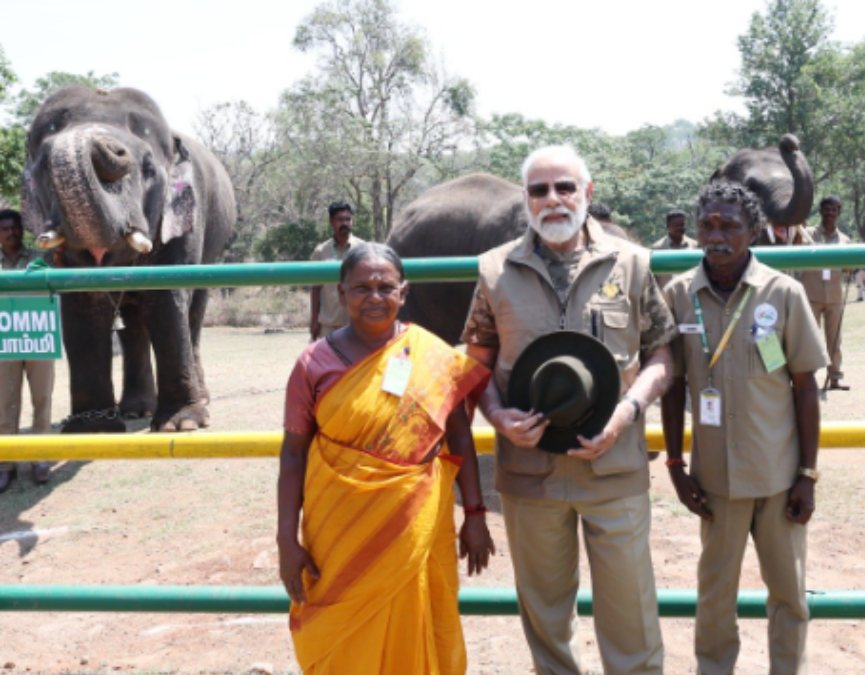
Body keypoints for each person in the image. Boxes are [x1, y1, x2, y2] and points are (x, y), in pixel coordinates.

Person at [462, 144, 676, 674]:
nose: (553, 200)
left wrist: (628, 409)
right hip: (530, 473)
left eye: (565, 188)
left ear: (587, 193)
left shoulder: (631, 263)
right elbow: (475, 365)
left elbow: (662, 354)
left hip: (614, 466)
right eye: (539, 190)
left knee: (632, 618)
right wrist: (497, 417)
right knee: (546, 620)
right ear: (526, 200)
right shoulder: (494, 271)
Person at [277, 242, 495, 673]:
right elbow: (293, 453)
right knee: (339, 628)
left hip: (416, 521)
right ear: (341, 294)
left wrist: (474, 513)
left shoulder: (432, 355)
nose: (374, 298)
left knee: (421, 618)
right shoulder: (313, 363)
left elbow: (459, 437)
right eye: (361, 289)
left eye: (385, 287)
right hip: (336, 528)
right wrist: (286, 539)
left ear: (403, 292)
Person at [662, 182, 827, 674]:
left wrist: (807, 475)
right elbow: (672, 388)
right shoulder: (677, 295)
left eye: (730, 225)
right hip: (715, 482)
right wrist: (674, 464)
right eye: (708, 224)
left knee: (789, 596)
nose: (718, 236)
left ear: (752, 231)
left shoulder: (783, 292)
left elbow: (804, 387)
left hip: (778, 478)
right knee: (714, 600)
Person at [0, 209, 54, 492]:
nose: (12, 233)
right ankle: (6, 464)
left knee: (42, 399)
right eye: (6, 229)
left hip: (37, 338)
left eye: (15, 227)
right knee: (4, 403)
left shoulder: (38, 259)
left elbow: (54, 287)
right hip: (4, 343)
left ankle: (40, 458)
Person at [800, 196, 852, 390]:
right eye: (826, 209)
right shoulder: (808, 235)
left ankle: (835, 377)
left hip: (834, 297)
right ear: (821, 211)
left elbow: (848, 267)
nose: (830, 212)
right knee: (809, 339)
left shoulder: (844, 240)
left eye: (834, 209)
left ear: (838, 212)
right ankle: (808, 379)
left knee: (835, 339)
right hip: (811, 295)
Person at [308, 201, 364, 341]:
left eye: (348, 219)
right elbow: (316, 288)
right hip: (328, 324)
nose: (345, 223)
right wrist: (314, 320)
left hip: (355, 324)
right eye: (340, 219)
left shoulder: (363, 249)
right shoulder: (321, 251)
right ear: (331, 222)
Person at [650, 210, 699, 290]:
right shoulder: (657, 249)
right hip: (666, 297)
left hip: (690, 296)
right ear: (668, 226)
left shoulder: (695, 247)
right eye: (676, 225)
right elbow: (652, 279)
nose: (680, 228)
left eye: (682, 225)